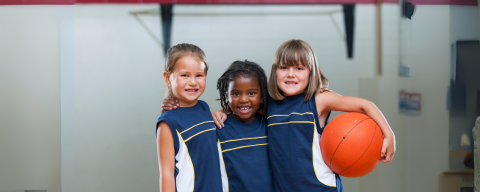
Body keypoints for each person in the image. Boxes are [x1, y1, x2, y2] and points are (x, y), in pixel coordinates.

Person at [212, 39, 396, 192]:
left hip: (320, 187)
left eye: (299, 68)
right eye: (284, 67)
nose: (291, 74)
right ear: (275, 71)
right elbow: (245, 104)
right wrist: (223, 111)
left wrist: (389, 136)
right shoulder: (271, 103)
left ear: (311, 71)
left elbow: (365, 105)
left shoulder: (319, 100)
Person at [162, 60, 274, 191]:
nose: (244, 99)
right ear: (226, 94)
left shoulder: (271, 125)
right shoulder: (217, 128)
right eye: (236, 93)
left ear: (262, 95)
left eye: (251, 93)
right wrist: (173, 103)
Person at [156, 43, 222, 192]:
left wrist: (223, 111)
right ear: (167, 78)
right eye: (184, 75)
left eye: (199, 75)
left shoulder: (204, 108)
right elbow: (166, 173)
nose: (193, 82)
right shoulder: (167, 123)